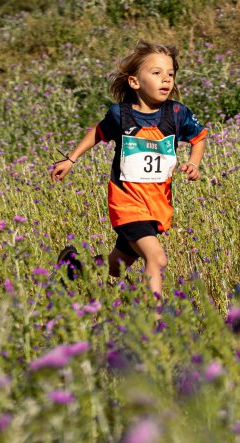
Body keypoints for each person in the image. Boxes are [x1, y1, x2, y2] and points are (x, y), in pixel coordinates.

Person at [50, 41, 208, 297]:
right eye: (156, 73)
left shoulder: (177, 112)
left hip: (156, 204)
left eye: (170, 74)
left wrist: (194, 163)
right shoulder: (120, 115)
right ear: (135, 82)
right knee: (157, 259)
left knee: (116, 267)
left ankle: (74, 266)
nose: (166, 79)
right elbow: (99, 132)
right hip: (127, 202)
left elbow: (199, 137)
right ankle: (155, 322)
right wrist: (71, 159)